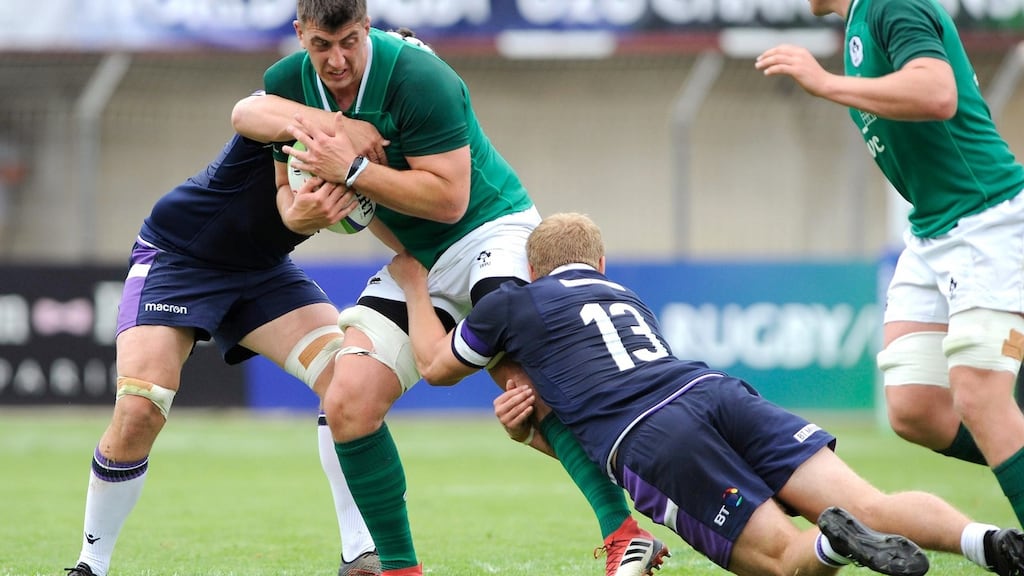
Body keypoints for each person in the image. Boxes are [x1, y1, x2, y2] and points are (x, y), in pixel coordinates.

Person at [229, 5, 667, 576]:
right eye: (320, 45)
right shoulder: (287, 84)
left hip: (491, 231)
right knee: (347, 401)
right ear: (299, 35)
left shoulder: (419, 76)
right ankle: (400, 569)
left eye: (349, 41)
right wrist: (302, 212)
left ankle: (625, 532)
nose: (336, 59)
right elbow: (269, 160)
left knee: (524, 391)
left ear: (367, 26)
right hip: (419, 261)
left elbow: (450, 200)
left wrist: (353, 171)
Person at [389, 211, 1024, 576]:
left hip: (652, 436)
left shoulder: (511, 303)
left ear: (533, 269)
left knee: (778, 561)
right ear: (600, 266)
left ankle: (833, 542)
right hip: (715, 390)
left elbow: (436, 366)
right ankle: (988, 541)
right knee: (871, 500)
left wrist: (416, 284)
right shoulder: (623, 298)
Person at [61, 124, 389, 576]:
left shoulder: (400, 138)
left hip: (263, 270)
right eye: (324, 46)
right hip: (179, 258)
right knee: (141, 407)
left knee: (349, 380)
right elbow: (247, 110)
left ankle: (360, 554)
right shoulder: (296, 90)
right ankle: (90, 565)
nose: (336, 59)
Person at [754, 0, 1024, 526]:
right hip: (931, 233)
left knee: (979, 394)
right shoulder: (860, 19)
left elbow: (937, 93)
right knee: (915, 407)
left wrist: (824, 82)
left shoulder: (890, 3)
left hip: (987, 222)